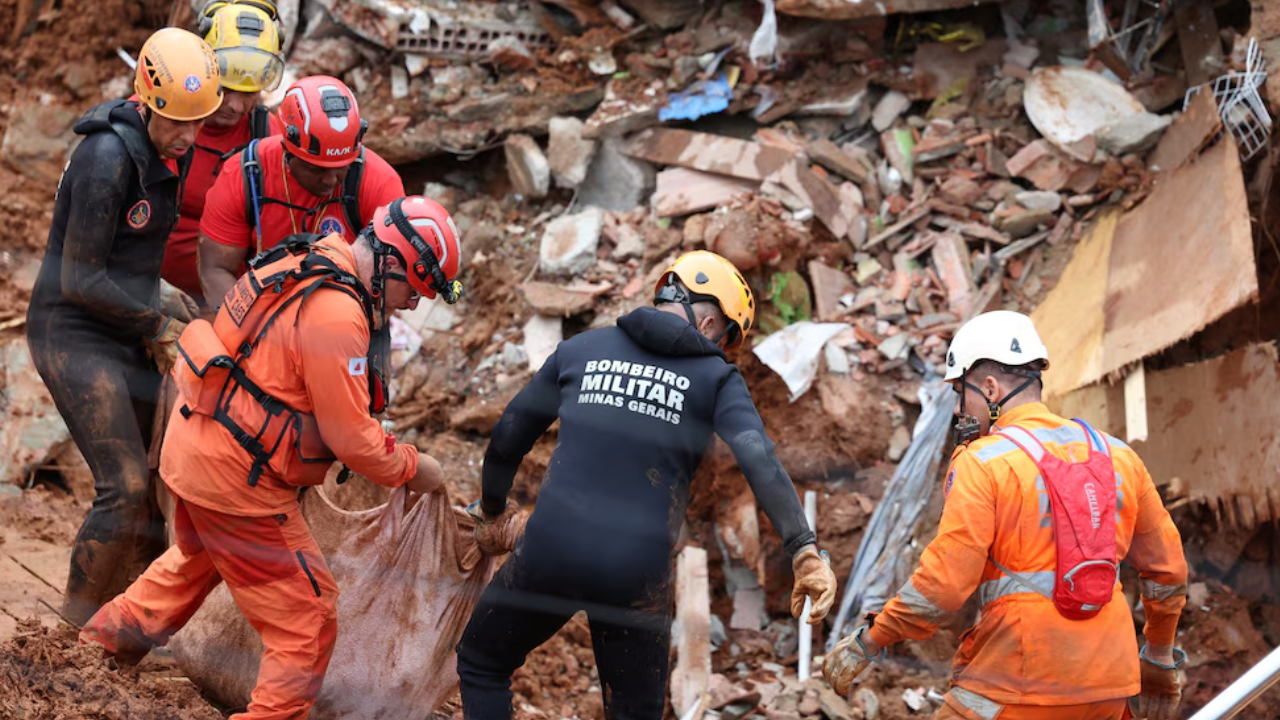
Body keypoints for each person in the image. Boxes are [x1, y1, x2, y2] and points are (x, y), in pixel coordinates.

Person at [79, 196, 464, 719]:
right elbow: (352, 439)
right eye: (413, 291)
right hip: (239, 480)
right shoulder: (338, 312)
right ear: (394, 261)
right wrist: (416, 468)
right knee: (307, 618)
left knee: (191, 565)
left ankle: (90, 654)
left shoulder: (302, 258)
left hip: (196, 448)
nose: (411, 306)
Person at [456, 250, 839, 720]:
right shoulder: (716, 378)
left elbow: (507, 435)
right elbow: (757, 455)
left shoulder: (581, 349)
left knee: (482, 661)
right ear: (708, 320)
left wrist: (492, 509)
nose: (721, 346)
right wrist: (802, 547)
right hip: (635, 572)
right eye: (725, 334)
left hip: (552, 548)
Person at [823, 311, 1189, 720]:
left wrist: (871, 639)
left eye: (962, 393)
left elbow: (943, 586)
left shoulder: (983, 462)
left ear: (991, 388)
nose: (961, 409)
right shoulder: (1117, 455)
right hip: (1108, 687)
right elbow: (1168, 570)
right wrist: (1158, 655)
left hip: (1015, 684)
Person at [25, 27, 222, 626]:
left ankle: (128, 630)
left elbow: (133, 257)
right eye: (177, 122)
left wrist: (165, 303)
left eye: (199, 123)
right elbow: (81, 278)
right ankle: (69, 632)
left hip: (126, 322)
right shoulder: (105, 158)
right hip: (73, 328)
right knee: (125, 484)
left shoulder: (169, 150)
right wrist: (157, 322)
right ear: (147, 101)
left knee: (155, 484)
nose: (190, 137)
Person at [198, 74, 405, 306]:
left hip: (346, 314)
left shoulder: (379, 183)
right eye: (316, 169)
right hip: (256, 309)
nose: (330, 180)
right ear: (287, 151)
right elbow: (216, 268)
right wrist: (256, 328)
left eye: (341, 168)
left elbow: (391, 288)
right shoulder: (244, 174)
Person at [157, 0, 286, 305]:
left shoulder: (268, 137)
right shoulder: (157, 115)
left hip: (226, 306)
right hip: (142, 297)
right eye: (226, 88)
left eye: (250, 92)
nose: (236, 106)